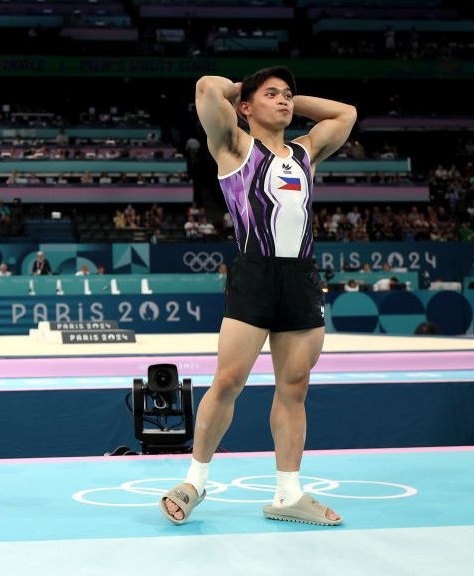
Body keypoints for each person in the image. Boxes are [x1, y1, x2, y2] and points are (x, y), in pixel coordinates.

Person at [160, 66, 356, 527]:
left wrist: (288, 99)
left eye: (289, 95)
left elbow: (346, 114)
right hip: (254, 273)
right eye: (273, 95)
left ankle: (288, 494)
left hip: (302, 277)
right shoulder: (234, 148)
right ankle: (194, 482)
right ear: (245, 107)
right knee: (228, 382)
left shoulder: (305, 153)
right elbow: (206, 87)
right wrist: (242, 93)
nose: (285, 101)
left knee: (294, 387)